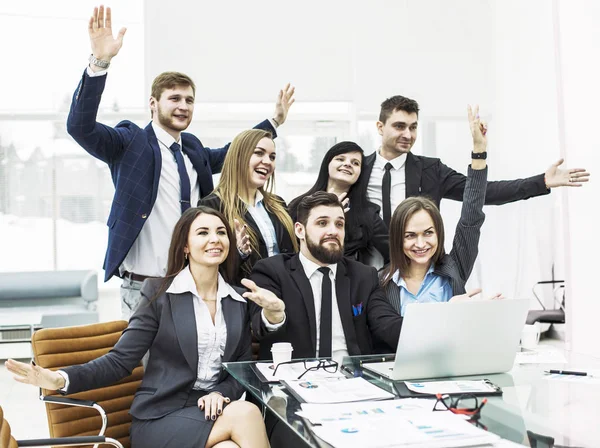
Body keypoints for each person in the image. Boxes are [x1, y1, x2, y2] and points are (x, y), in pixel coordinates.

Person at [68, 6, 295, 319]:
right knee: (145, 368)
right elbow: (80, 127)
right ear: (153, 104)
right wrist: (99, 63)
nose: (183, 106)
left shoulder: (193, 149)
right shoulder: (130, 142)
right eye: (174, 98)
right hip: (144, 286)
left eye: (189, 100)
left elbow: (236, 152)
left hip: (192, 282)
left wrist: (274, 122)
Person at [6, 206, 272, 448]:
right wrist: (60, 378)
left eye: (221, 232)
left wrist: (219, 393)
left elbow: (241, 367)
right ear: (185, 247)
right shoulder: (158, 294)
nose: (215, 238)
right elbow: (119, 361)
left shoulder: (238, 299)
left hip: (211, 414)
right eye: (203, 232)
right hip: (161, 418)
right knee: (246, 413)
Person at [364, 95, 590, 226]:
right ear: (380, 127)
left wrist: (542, 181)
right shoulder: (359, 169)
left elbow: (484, 192)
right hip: (365, 277)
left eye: (413, 127)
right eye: (399, 126)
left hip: (419, 274)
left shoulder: (431, 170)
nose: (408, 134)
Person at [242, 191, 403, 363]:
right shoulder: (272, 270)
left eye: (339, 224)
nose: (333, 231)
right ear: (300, 230)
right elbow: (260, 328)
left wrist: (424, 330)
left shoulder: (364, 276)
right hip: (294, 380)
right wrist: (274, 314)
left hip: (352, 380)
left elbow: (386, 323)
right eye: (322, 223)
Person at [380, 106, 498, 322]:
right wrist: (447, 312)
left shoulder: (454, 267)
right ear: (398, 238)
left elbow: (471, 218)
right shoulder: (382, 282)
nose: (420, 243)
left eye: (428, 233)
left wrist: (479, 152)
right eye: (410, 235)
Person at [200, 129, 298, 283]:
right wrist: (238, 253)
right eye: (259, 153)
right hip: (245, 299)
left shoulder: (278, 205)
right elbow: (207, 268)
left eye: (272, 157)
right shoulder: (213, 205)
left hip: (284, 296)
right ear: (238, 157)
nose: (267, 161)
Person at [288, 141, 389, 265]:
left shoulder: (369, 214)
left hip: (348, 280)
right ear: (327, 164)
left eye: (355, 163)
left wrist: (376, 279)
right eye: (340, 159)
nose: (347, 164)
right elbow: (286, 248)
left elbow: (393, 254)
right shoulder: (297, 205)